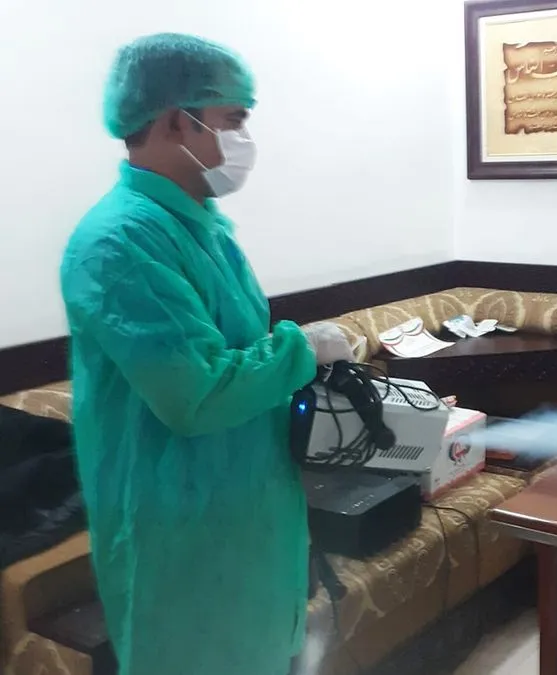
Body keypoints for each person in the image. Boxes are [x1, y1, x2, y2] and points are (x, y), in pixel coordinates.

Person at [59, 33, 353, 675]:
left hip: (246, 509)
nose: (244, 139)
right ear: (174, 121)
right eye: (234, 120)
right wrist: (304, 347)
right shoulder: (119, 244)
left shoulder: (200, 226)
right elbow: (198, 394)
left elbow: (243, 357)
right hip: (182, 534)